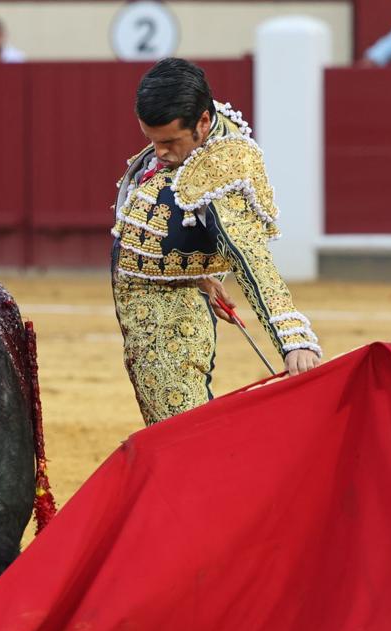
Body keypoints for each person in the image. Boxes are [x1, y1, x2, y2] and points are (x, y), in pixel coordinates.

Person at [110, 58, 321, 426]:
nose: (159, 152)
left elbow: (251, 255)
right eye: (153, 140)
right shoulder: (196, 133)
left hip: (170, 319)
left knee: (179, 433)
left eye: (170, 141)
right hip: (167, 301)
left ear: (203, 123)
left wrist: (293, 339)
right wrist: (201, 274)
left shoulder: (221, 168)